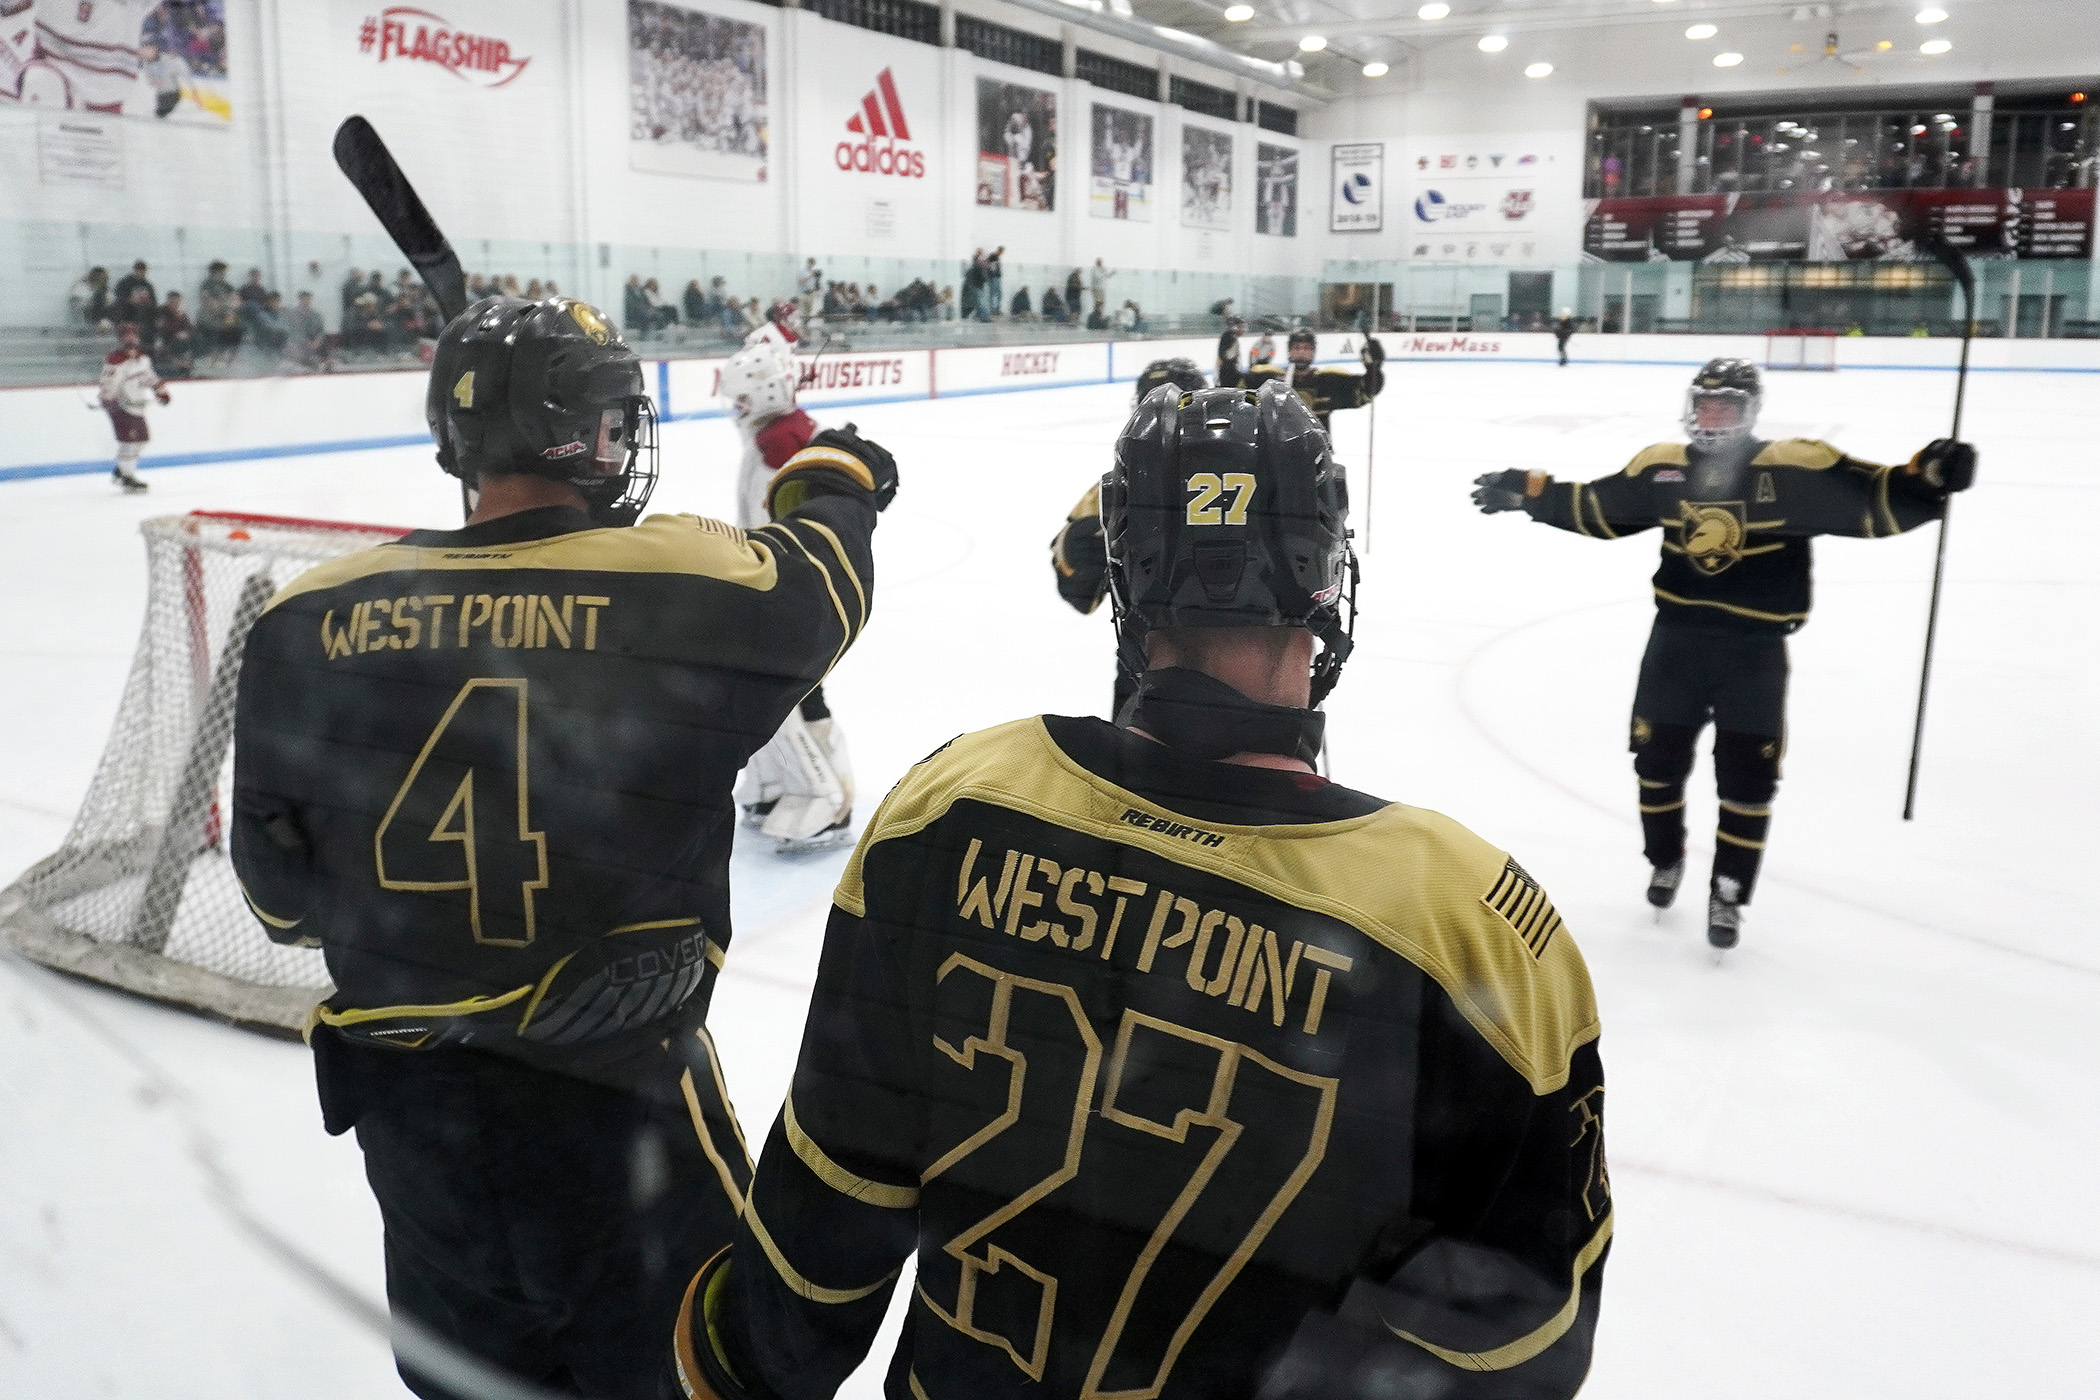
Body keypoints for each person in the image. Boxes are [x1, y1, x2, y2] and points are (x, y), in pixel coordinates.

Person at [670, 383, 1609, 1400]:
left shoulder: (954, 806)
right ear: (1325, 572)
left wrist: (739, 1363)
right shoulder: (1468, 928)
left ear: (1132, 571)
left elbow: (831, 1204)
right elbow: (1514, 1350)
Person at [229, 294, 897, 1400]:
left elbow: (282, 905)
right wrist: (836, 478)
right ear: (585, 431)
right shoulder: (680, 580)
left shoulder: (311, 614)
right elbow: (826, 581)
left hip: (414, 1134)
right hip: (622, 1125)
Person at [1469, 358, 1977, 949]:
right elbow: (1598, 508)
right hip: (1676, 646)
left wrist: (1931, 473)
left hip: (1754, 656)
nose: (1713, 417)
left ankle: (1729, 891)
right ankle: (1665, 858)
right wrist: (1529, 493)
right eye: (1706, 405)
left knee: (1748, 779)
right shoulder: (1664, 467)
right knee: (1655, 763)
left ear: (1750, 411)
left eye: (1726, 406)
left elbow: (1878, 500)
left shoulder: (1796, 467)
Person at [715, 325, 865, 851]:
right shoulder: (780, 437)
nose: (734, 407)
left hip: (790, 591)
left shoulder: (784, 447)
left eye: (741, 397)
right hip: (788, 586)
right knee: (775, 691)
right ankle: (774, 785)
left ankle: (824, 798)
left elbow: (780, 531)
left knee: (784, 694)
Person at [1048, 359, 1212, 718]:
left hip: (1240, 667)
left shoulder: (1250, 476)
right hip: (1147, 665)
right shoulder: (1118, 486)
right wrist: (1081, 553)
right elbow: (1079, 590)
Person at [1243, 328, 1384, 432]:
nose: (1301, 352)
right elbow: (1236, 390)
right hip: (1275, 453)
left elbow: (1366, 390)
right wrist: (1228, 364)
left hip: (1318, 456)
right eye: (1296, 348)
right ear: (1289, 351)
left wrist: (1374, 368)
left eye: (1306, 348)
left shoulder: (1328, 380)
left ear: (1313, 352)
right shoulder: (1268, 379)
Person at [98, 320, 168, 493]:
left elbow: (150, 377)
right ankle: (127, 477)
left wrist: (160, 391)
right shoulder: (115, 362)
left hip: (135, 406)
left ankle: (121, 471)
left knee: (143, 440)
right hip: (120, 406)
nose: (131, 347)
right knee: (129, 442)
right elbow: (107, 384)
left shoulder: (143, 359)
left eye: (133, 342)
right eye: (127, 343)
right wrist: (109, 400)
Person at [156, 290, 195, 378]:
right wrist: (177, 332)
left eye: (177, 302)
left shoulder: (182, 315)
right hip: (165, 345)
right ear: (168, 301)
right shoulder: (160, 312)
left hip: (180, 345)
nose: (175, 305)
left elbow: (190, 329)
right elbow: (162, 328)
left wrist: (186, 333)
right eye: (173, 302)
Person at [1215, 314, 1245, 387]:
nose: (1243, 330)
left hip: (1228, 370)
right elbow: (1227, 356)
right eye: (1241, 327)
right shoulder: (1229, 337)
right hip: (1228, 371)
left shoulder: (1231, 337)